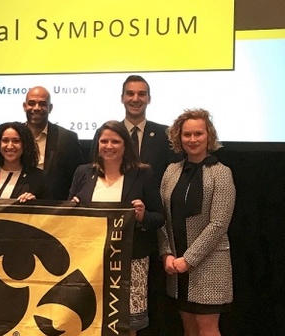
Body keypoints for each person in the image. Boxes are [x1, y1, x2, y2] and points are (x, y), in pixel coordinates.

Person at [69, 120, 165, 335]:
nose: (109, 146)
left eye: (115, 141)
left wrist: (142, 217)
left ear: (126, 145)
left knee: (128, 324)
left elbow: (159, 218)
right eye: (104, 141)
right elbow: (70, 217)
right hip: (90, 260)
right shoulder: (83, 172)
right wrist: (72, 208)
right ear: (97, 144)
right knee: (90, 320)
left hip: (131, 260)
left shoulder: (143, 173)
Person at [158, 109, 236, 336]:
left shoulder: (221, 173)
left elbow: (219, 224)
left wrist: (188, 260)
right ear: (179, 138)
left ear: (209, 136)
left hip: (208, 266)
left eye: (198, 134)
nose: (192, 140)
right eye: (187, 135)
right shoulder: (171, 171)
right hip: (177, 267)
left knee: (207, 330)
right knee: (188, 328)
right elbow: (163, 217)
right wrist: (167, 254)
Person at [23, 86, 83, 200]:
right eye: (31, 103)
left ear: (50, 108)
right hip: (16, 206)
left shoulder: (68, 139)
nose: (36, 108)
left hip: (54, 210)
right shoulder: (13, 137)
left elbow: (77, 178)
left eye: (42, 104)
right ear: (24, 106)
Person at [0, 122, 51, 202]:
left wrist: (35, 203)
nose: (10, 146)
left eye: (16, 141)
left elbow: (48, 211)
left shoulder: (39, 178)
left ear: (25, 145)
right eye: (5, 141)